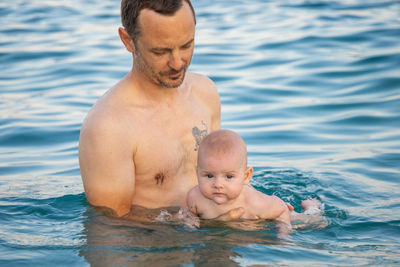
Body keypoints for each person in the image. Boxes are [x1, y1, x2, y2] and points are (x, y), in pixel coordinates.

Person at [79, 0, 243, 221]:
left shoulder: (205, 92)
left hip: (212, 239)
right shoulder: (109, 126)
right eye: (160, 51)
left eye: (186, 45)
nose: (177, 63)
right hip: (159, 250)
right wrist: (184, 223)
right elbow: (109, 231)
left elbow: (223, 181)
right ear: (128, 41)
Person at [186, 129, 322, 231]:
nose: (218, 185)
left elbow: (280, 209)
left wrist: (283, 233)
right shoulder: (195, 197)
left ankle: (311, 207)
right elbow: (190, 215)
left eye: (228, 177)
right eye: (209, 176)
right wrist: (190, 224)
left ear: (246, 177)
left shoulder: (255, 203)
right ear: (197, 173)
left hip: (273, 210)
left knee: (311, 223)